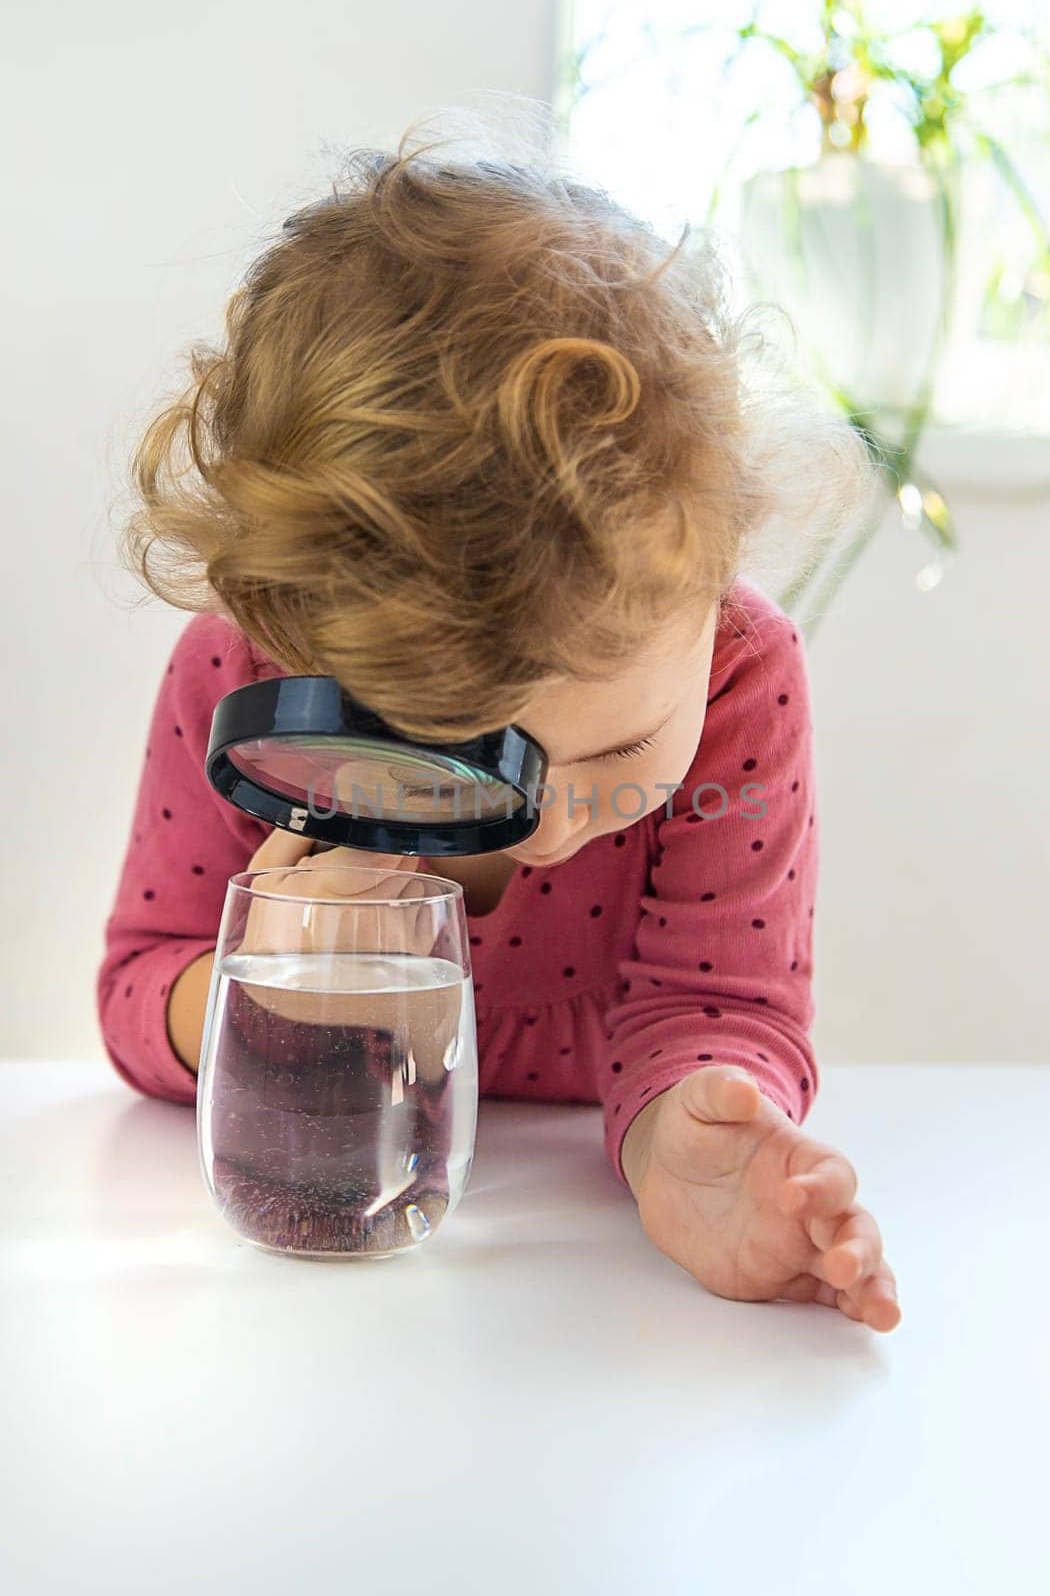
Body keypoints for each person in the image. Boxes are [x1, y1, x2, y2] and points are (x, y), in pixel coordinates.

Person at [97, 108, 900, 1330]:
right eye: (459, 762)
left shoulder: (741, 676)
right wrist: (265, 985)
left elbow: (716, 1009)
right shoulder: (241, 674)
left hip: (577, 1286)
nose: (545, 830)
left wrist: (692, 1140)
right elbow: (136, 988)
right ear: (306, 643)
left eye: (621, 750)